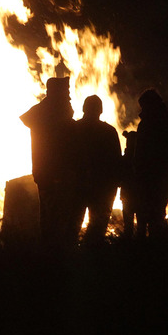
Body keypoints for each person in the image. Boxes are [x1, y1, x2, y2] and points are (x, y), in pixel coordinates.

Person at [20, 77, 76, 250]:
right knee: (58, 217)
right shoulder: (56, 115)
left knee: (49, 215)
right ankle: (57, 253)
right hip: (57, 173)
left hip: (45, 172)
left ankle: (49, 251)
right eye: (65, 92)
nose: (68, 96)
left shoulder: (42, 113)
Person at [132, 89, 168, 244]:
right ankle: (159, 246)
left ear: (150, 105)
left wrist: (137, 173)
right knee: (157, 212)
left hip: (152, 176)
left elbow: (140, 153)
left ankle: (150, 248)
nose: (142, 111)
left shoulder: (148, 124)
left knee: (148, 212)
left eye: (144, 107)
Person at [72, 95, 122, 247]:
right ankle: (92, 253)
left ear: (83, 109)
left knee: (72, 224)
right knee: (98, 226)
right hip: (102, 188)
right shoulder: (109, 132)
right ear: (100, 111)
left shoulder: (73, 129)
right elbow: (116, 161)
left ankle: (69, 255)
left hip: (77, 185)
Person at [119, 130, 141, 240]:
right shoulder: (143, 157)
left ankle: (129, 239)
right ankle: (137, 239)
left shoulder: (128, 157)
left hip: (129, 193)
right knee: (140, 219)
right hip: (137, 193)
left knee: (129, 218)